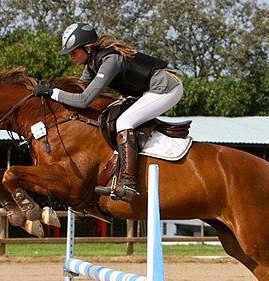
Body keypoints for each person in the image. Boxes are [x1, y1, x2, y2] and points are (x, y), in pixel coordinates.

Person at [32, 22, 183, 202]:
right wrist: (50, 94)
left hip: (166, 88)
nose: (71, 57)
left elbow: (83, 100)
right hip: (147, 92)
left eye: (73, 52)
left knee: (124, 122)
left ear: (87, 48)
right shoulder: (92, 65)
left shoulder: (110, 61)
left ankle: (128, 181)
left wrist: (53, 93)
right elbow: (81, 93)